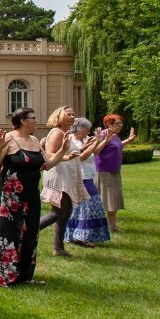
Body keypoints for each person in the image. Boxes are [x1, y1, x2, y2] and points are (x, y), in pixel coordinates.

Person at [0, 107, 70, 287]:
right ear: (23, 120)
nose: (36, 121)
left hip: (31, 194)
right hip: (11, 195)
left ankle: (24, 275)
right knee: (8, 231)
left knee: (30, 232)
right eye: (33, 118)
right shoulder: (9, 138)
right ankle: (3, 272)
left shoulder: (35, 140)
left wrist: (61, 152)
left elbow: (45, 165)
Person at [39, 106, 88, 257]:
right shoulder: (57, 132)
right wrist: (67, 157)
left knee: (66, 212)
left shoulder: (65, 133)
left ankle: (59, 248)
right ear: (59, 116)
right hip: (59, 176)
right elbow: (50, 154)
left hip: (67, 175)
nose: (72, 117)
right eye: (69, 114)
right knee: (59, 212)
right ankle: (26, 230)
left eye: (73, 114)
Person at [64, 118, 112, 247]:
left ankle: (77, 235)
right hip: (81, 177)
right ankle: (81, 236)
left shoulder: (84, 140)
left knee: (83, 208)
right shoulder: (73, 142)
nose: (89, 132)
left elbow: (95, 152)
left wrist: (103, 141)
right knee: (89, 206)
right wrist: (95, 142)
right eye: (87, 129)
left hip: (88, 176)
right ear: (80, 130)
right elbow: (82, 157)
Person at [95, 114, 137, 233]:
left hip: (114, 170)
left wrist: (128, 140)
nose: (120, 126)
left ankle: (112, 226)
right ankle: (107, 226)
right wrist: (105, 140)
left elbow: (116, 146)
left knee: (113, 199)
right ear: (108, 124)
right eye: (117, 124)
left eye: (120, 124)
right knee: (108, 199)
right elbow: (96, 151)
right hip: (105, 171)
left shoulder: (115, 136)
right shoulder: (103, 134)